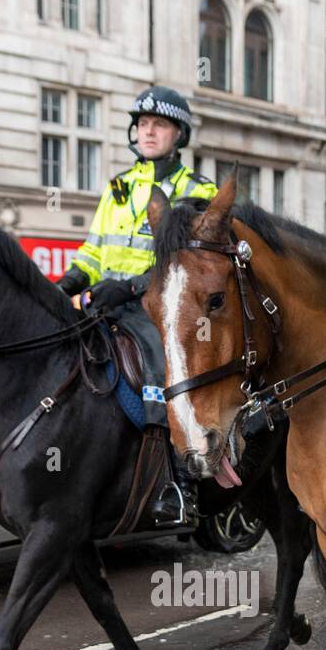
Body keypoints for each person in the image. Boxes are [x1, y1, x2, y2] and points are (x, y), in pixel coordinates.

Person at [59, 86, 217, 525]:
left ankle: (178, 483)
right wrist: (66, 284)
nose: (148, 131)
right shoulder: (119, 188)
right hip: (104, 304)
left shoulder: (196, 191)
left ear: (178, 134)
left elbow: (193, 264)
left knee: (161, 374)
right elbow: (92, 252)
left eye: (159, 125)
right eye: (143, 124)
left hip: (159, 307)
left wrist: (129, 289)